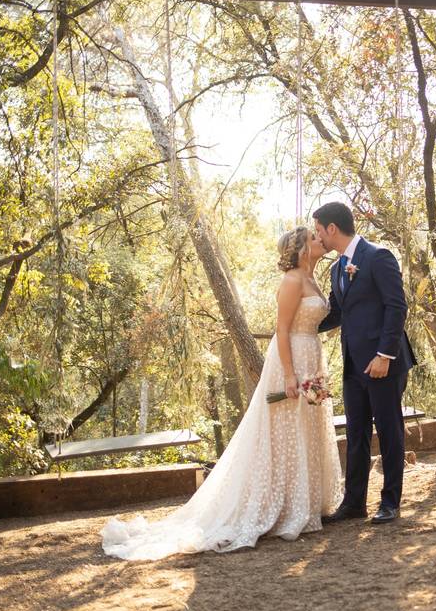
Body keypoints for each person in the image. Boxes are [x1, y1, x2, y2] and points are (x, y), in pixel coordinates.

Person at [100, 227, 342, 560]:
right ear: (301, 248)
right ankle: (283, 508)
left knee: (308, 427)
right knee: (286, 430)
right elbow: (282, 330)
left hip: (312, 356)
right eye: (313, 238)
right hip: (291, 361)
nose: (320, 240)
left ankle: (305, 501)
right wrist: (289, 374)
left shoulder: (313, 279)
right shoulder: (291, 281)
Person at [314, 202, 416, 525]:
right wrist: (301, 325)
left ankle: (390, 503)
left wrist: (385, 355)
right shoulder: (335, 270)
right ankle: (354, 503)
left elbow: (397, 306)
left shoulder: (378, 257)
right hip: (353, 365)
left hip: (383, 362)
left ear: (332, 229)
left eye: (319, 230)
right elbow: (338, 313)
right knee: (356, 433)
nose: (318, 237)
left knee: (389, 432)